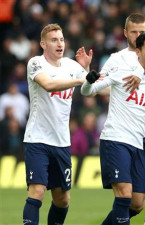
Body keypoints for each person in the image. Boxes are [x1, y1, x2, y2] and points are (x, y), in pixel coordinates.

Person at [81, 32, 145, 225]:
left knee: (136, 204)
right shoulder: (121, 71)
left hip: (138, 144)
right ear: (138, 52)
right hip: (116, 139)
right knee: (124, 196)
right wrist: (88, 80)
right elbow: (88, 92)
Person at [22, 23, 91, 225]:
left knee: (62, 199)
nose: (59, 43)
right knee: (37, 191)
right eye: (54, 40)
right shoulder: (35, 63)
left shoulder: (71, 66)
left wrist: (85, 68)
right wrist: (80, 79)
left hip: (62, 142)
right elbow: (49, 85)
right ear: (43, 44)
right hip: (37, 139)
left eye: (61, 39)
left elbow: (91, 87)